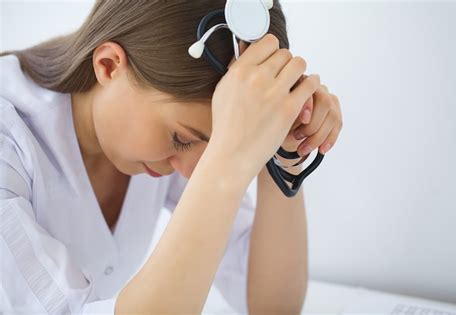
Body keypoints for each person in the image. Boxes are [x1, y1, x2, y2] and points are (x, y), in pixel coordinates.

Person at [0, 0, 343, 314]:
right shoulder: (7, 139)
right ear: (109, 66)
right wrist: (225, 163)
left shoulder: (156, 142)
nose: (195, 172)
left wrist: (282, 148)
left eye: (211, 148)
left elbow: (272, 307)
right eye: (181, 139)